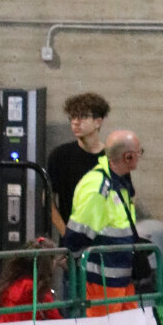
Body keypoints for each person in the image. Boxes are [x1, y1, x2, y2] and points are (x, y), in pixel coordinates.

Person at [62, 129, 144, 316]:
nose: (140, 156)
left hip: (120, 279)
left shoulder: (118, 183)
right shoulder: (99, 188)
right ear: (128, 156)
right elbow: (77, 236)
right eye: (139, 152)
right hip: (101, 283)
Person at [47, 92, 109, 237]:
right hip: (73, 238)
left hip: (106, 239)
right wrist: (66, 233)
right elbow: (48, 200)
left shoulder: (111, 157)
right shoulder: (60, 155)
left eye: (83, 117)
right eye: (73, 117)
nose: (75, 122)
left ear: (98, 122)